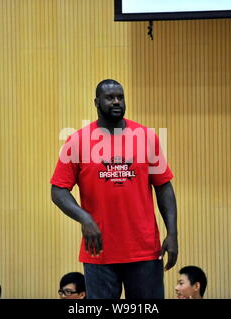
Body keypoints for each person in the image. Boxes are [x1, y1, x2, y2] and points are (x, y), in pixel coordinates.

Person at [50, 79, 178, 299]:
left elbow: (164, 187)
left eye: (120, 96)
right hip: (99, 252)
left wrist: (172, 233)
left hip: (144, 250)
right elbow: (58, 190)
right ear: (96, 102)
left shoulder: (146, 137)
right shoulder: (77, 141)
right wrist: (85, 219)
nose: (116, 101)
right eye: (109, 98)